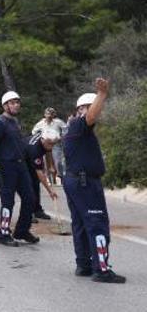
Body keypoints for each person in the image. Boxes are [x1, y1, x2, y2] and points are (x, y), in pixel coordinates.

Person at [62, 78, 125, 283]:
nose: (98, 111)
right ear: (83, 109)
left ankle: (84, 265)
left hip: (75, 181)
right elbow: (90, 116)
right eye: (94, 106)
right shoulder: (80, 124)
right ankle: (102, 269)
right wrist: (102, 94)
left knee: (80, 223)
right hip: (84, 183)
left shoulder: (75, 128)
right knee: (97, 223)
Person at [0, 91, 38, 246]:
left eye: (17, 102)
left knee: (30, 198)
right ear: (5, 105)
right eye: (12, 102)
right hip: (6, 166)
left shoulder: (15, 122)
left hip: (20, 166)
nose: (16, 105)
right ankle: (3, 233)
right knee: (8, 202)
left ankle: (22, 230)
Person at [26, 130, 59, 221]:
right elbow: (40, 173)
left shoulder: (46, 138)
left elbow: (48, 150)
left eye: (53, 144)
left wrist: (51, 166)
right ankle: (28, 214)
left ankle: (37, 210)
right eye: (50, 144)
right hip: (21, 161)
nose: (51, 146)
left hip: (30, 159)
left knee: (35, 184)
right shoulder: (35, 150)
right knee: (28, 187)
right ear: (43, 140)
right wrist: (50, 191)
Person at [32, 107, 67, 184]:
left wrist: (61, 137)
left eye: (51, 113)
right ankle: (47, 177)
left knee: (57, 160)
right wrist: (40, 139)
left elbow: (66, 130)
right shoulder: (41, 123)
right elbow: (34, 132)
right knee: (44, 161)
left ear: (54, 114)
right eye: (47, 113)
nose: (49, 115)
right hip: (44, 144)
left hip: (55, 143)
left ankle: (59, 177)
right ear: (44, 114)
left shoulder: (58, 122)